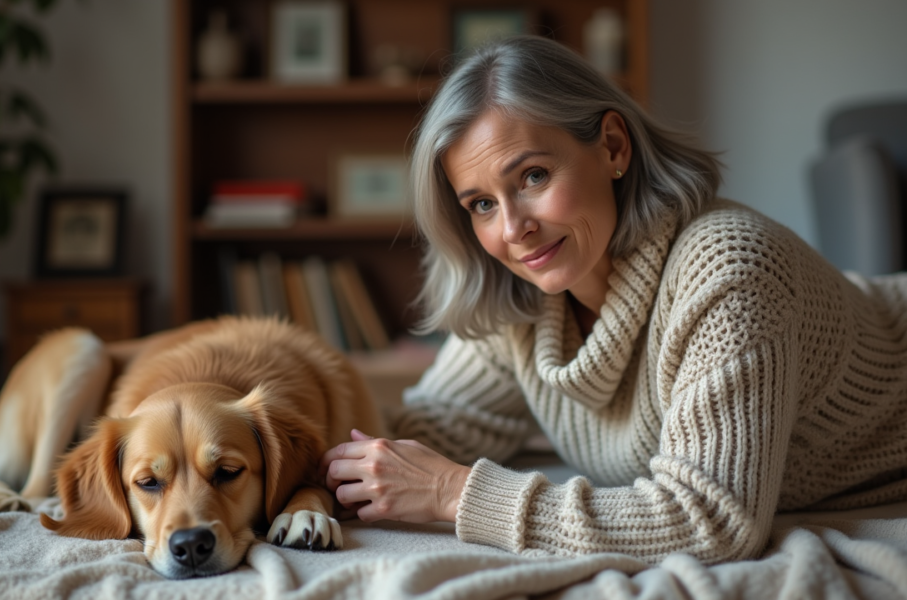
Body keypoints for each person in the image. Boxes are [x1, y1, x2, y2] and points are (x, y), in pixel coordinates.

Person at [319, 35, 907, 565]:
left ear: (613, 147)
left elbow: (710, 521)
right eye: (481, 204)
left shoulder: (729, 270)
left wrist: (453, 494)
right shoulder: (524, 295)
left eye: (532, 177)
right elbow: (429, 432)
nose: (513, 228)